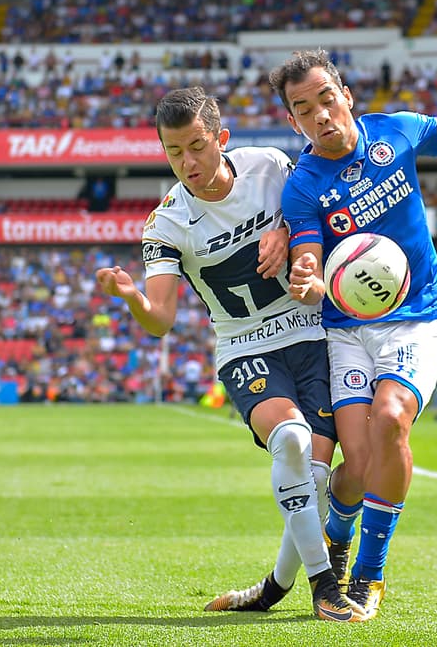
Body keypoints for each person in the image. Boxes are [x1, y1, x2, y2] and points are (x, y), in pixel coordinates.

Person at [94, 87, 362, 623]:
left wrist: (287, 230)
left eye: (197, 146)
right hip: (246, 345)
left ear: (221, 139)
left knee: (315, 477)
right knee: (290, 438)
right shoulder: (166, 223)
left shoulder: (271, 166)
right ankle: (325, 586)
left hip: (312, 330)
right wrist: (132, 299)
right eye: (174, 152)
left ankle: (272, 589)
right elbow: (161, 320)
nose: (188, 163)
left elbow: (311, 211)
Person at [268, 12, 437, 620]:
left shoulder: (396, 131)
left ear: (346, 96)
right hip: (346, 334)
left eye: (326, 98)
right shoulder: (304, 183)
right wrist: (307, 275)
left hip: (415, 320)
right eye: (303, 108)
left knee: (392, 419)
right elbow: (309, 253)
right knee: (357, 468)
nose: (319, 114)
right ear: (292, 120)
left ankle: (367, 576)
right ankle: (338, 543)